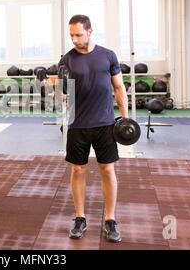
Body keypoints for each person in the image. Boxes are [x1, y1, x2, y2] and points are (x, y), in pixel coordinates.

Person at [58, 14, 128, 243]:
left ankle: (110, 219)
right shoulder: (66, 60)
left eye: (79, 34)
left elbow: (119, 88)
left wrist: (125, 119)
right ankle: (80, 217)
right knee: (78, 170)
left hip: (105, 123)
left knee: (107, 170)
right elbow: (63, 93)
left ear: (90, 31)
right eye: (71, 35)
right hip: (78, 124)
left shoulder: (108, 56)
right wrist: (60, 93)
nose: (75, 39)